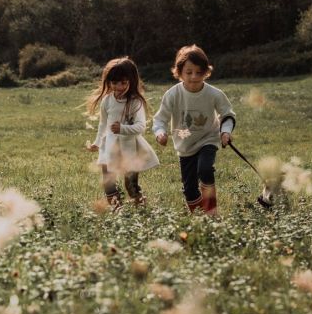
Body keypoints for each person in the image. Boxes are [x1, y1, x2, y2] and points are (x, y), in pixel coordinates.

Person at [153, 44, 235, 216]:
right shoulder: (172, 94)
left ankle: (212, 213)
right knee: (190, 190)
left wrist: (225, 132)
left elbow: (227, 114)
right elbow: (160, 119)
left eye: (199, 72)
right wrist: (160, 133)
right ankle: (201, 217)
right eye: (188, 72)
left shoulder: (214, 94)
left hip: (208, 138)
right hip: (185, 146)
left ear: (206, 72)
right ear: (179, 72)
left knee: (205, 170)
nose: (194, 77)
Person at [87, 57, 159, 210]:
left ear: (131, 81)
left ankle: (141, 209)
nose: (118, 87)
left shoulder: (135, 102)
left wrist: (123, 129)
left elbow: (140, 127)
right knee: (108, 181)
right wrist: (97, 142)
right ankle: (117, 211)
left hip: (129, 149)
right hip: (109, 147)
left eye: (123, 83)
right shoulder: (107, 100)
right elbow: (103, 125)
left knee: (131, 185)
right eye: (114, 83)